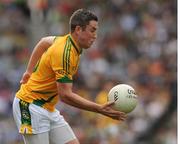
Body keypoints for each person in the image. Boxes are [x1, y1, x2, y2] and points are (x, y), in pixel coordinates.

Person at [13, 9, 126, 144]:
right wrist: (99, 109)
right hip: (30, 106)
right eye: (92, 30)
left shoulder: (65, 42)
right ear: (78, 29)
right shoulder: (64, 53)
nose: (95, 36)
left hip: (47, 107)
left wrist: (29, 71)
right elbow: (65, 95)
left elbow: (43, 42)